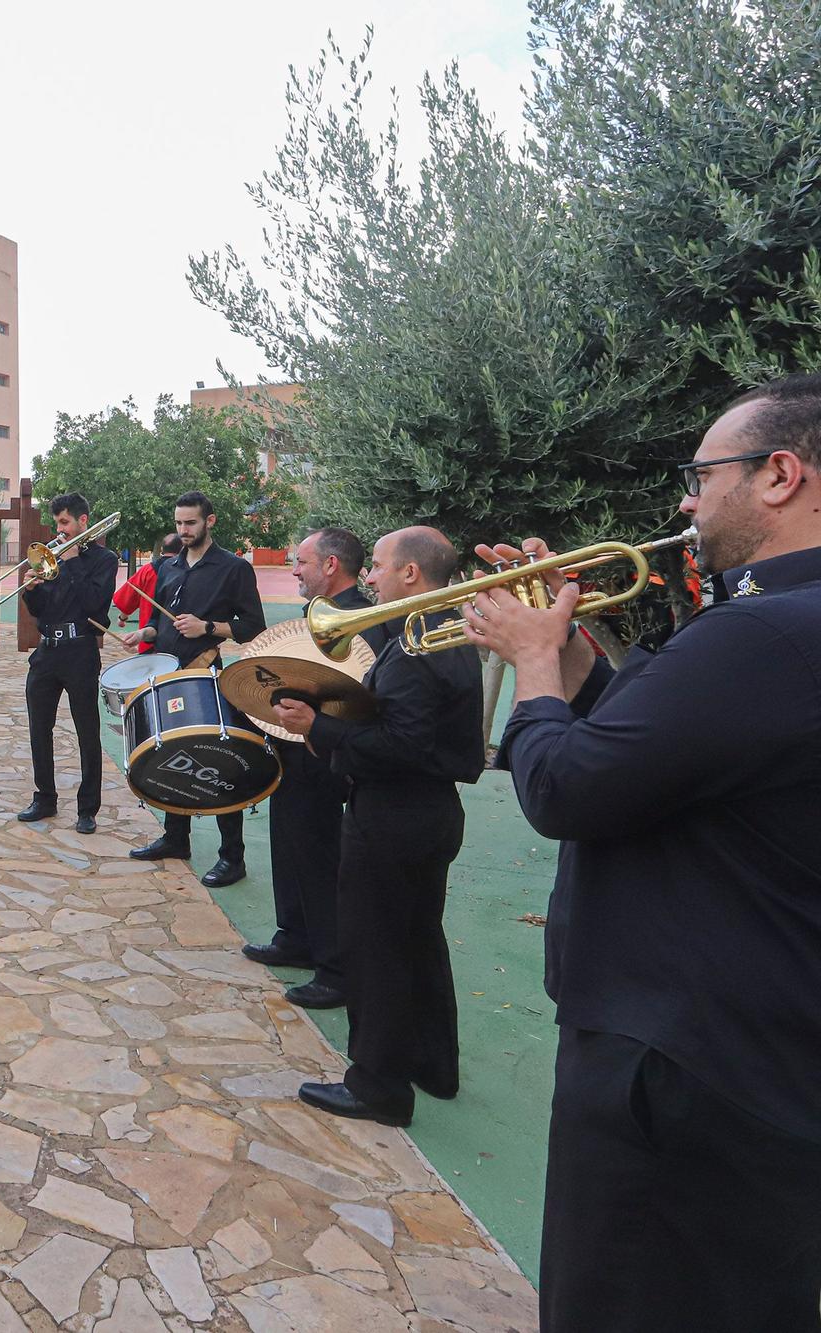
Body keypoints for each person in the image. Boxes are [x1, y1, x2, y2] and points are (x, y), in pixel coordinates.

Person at [462, 374, 821, 1331]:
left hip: (681, 1067)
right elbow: (642, 753)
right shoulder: (776, 623)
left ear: (779, 474)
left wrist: (531, 662)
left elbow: (568, 789)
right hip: (752, 1053)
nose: (685, 501)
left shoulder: (764, 632)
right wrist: (571, 646)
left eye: (701, 476)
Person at [271, 526, 484, 1128]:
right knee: (420, 942)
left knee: (376, 951)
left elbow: (399, 743)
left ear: (411, 574)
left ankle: (377, 1086)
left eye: (382, 566)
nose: (371, 576)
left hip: (392, 816)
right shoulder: (446, 634)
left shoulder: (419, 645)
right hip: (430, 813)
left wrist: (319, 726)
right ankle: (434, 1065)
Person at [241, 527, 393, 1009]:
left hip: (325, 753)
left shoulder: (364, 618)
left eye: (301, 562)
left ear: (330, 565)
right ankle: (296, 936)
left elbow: (362, 695)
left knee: (321, 859)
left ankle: (334, 967)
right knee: (289, 847)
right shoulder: (319, 612)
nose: (295, 570)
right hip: (296, 747)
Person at [129, 492, 267, 885]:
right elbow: (160, 623)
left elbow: (253, 625)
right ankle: (176, 838)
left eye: (190, 523)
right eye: (178, 523)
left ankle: (233, 858)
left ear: (210, 521)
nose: (183, 530)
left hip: (207, 673)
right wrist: (145, 631)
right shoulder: (168, 567)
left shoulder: (233, 568)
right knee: (169, 755)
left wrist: (207, 627)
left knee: (218, 759)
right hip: (169, 675)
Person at [17, 493, 119, 834]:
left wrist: (73, 562)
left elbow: (94, 605)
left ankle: (87, 809)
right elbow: (41, 611)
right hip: (47, 652)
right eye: (56, 523)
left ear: (82, 522)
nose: (59, 531)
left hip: (80, 650)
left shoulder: (104, 560)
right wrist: (31, 591)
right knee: (38, 729)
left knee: (87, 732)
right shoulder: (50, 559)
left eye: (65, 523)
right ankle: (44, 798)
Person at [112, 532, 183, 649]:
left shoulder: (147, 570)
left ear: (161, 549)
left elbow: (128, 598)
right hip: (178, 639)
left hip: (148, 640)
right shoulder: (187, 571)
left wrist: (122, 618)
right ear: (182, 549)